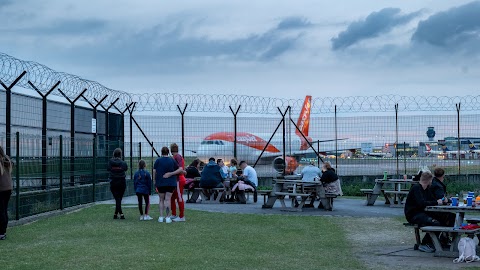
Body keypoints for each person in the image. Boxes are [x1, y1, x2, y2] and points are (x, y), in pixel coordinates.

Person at [404, 170, 444, 253]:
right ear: (430, 180)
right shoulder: (416, 188)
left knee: (446, 218)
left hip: (423, 213)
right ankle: (425, 243)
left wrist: (444, 200)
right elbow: (421, 203)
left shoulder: (426, 189)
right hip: (413, 214)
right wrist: (437, 202)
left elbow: (432, 199)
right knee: (435, 223)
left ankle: (442, 241)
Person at [154, 147, 184, 224]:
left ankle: (161, 217)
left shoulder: (158, 160)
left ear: (161, 152)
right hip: (171, 183)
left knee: (161, 200)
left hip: (160, 182)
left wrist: (155, 181)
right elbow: (179, 169)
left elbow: (154, 171)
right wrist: (171, 174)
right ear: (168, 152)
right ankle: (167, 217)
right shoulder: (172, 160)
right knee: (168, 199)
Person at [107, 148, 128, 220]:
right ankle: (121, 214)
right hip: (122, 182)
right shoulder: (123, 163)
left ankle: (116, 214)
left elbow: (108, 168)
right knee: (119, 198)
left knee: (117, 198)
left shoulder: (110, 162)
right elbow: (126, 168)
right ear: (120, 154)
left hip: (113, 181)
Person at [170, 143, 186, 222]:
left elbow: (180, 169)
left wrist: (171, 173)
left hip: (179, 179)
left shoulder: (177, 157)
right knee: (172, 197)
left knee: (179, 197)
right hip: (176, 179)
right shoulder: (176, 157)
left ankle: (182, 216)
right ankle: (173, 214)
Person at [0, 146, 13, 240]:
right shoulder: (7, 160)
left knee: (1, 211)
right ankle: (3, 232)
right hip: (8, 189)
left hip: (1, 190)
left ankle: (1, 233)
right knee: (4, 210)